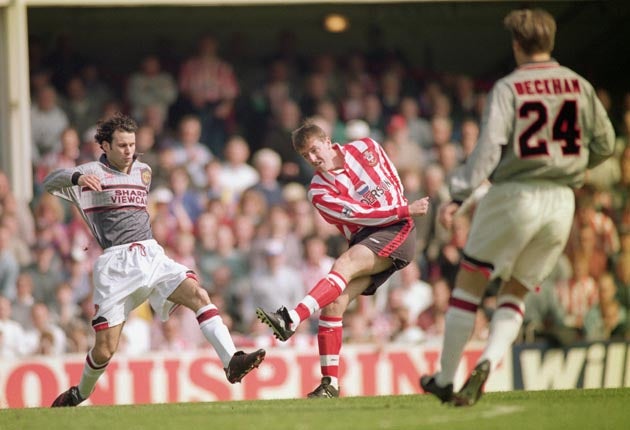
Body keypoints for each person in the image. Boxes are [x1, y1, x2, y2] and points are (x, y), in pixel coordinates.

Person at [419, 8, 615, 407]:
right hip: (561, 201)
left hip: (515, 192)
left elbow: (489, 148)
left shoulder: (509, 88)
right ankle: (488, 361)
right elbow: (606, 144)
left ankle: (444, 377)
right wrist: (572, 166)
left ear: (516, 44)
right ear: (551, 41)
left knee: (469, 284)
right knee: (517, 290)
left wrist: (458, 193)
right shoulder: (579, 86)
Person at [44, 112, 265, 407]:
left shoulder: (144, 171)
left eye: (132, 144)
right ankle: (79, 393)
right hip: (116, 265)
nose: (128, 151)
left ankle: (231, 361)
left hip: (151, 253)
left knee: (199, 294)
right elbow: (49, 182)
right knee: (105, 350)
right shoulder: (90, 172)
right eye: (121, 145)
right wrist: (76, 176)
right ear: (105, 146)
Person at [256, 122, 430, 398]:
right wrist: (402, 208)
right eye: (306, 156)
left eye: (314, 150)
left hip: (397, 228)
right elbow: (358, 214)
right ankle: (330, 384)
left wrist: (402, 211)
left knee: (342, 265)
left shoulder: (367, 146)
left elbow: (392, 178)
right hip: (372, 232)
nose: (312, 159)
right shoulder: (317, 190)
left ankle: (292, 318)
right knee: (334, 304)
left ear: (327, 141)